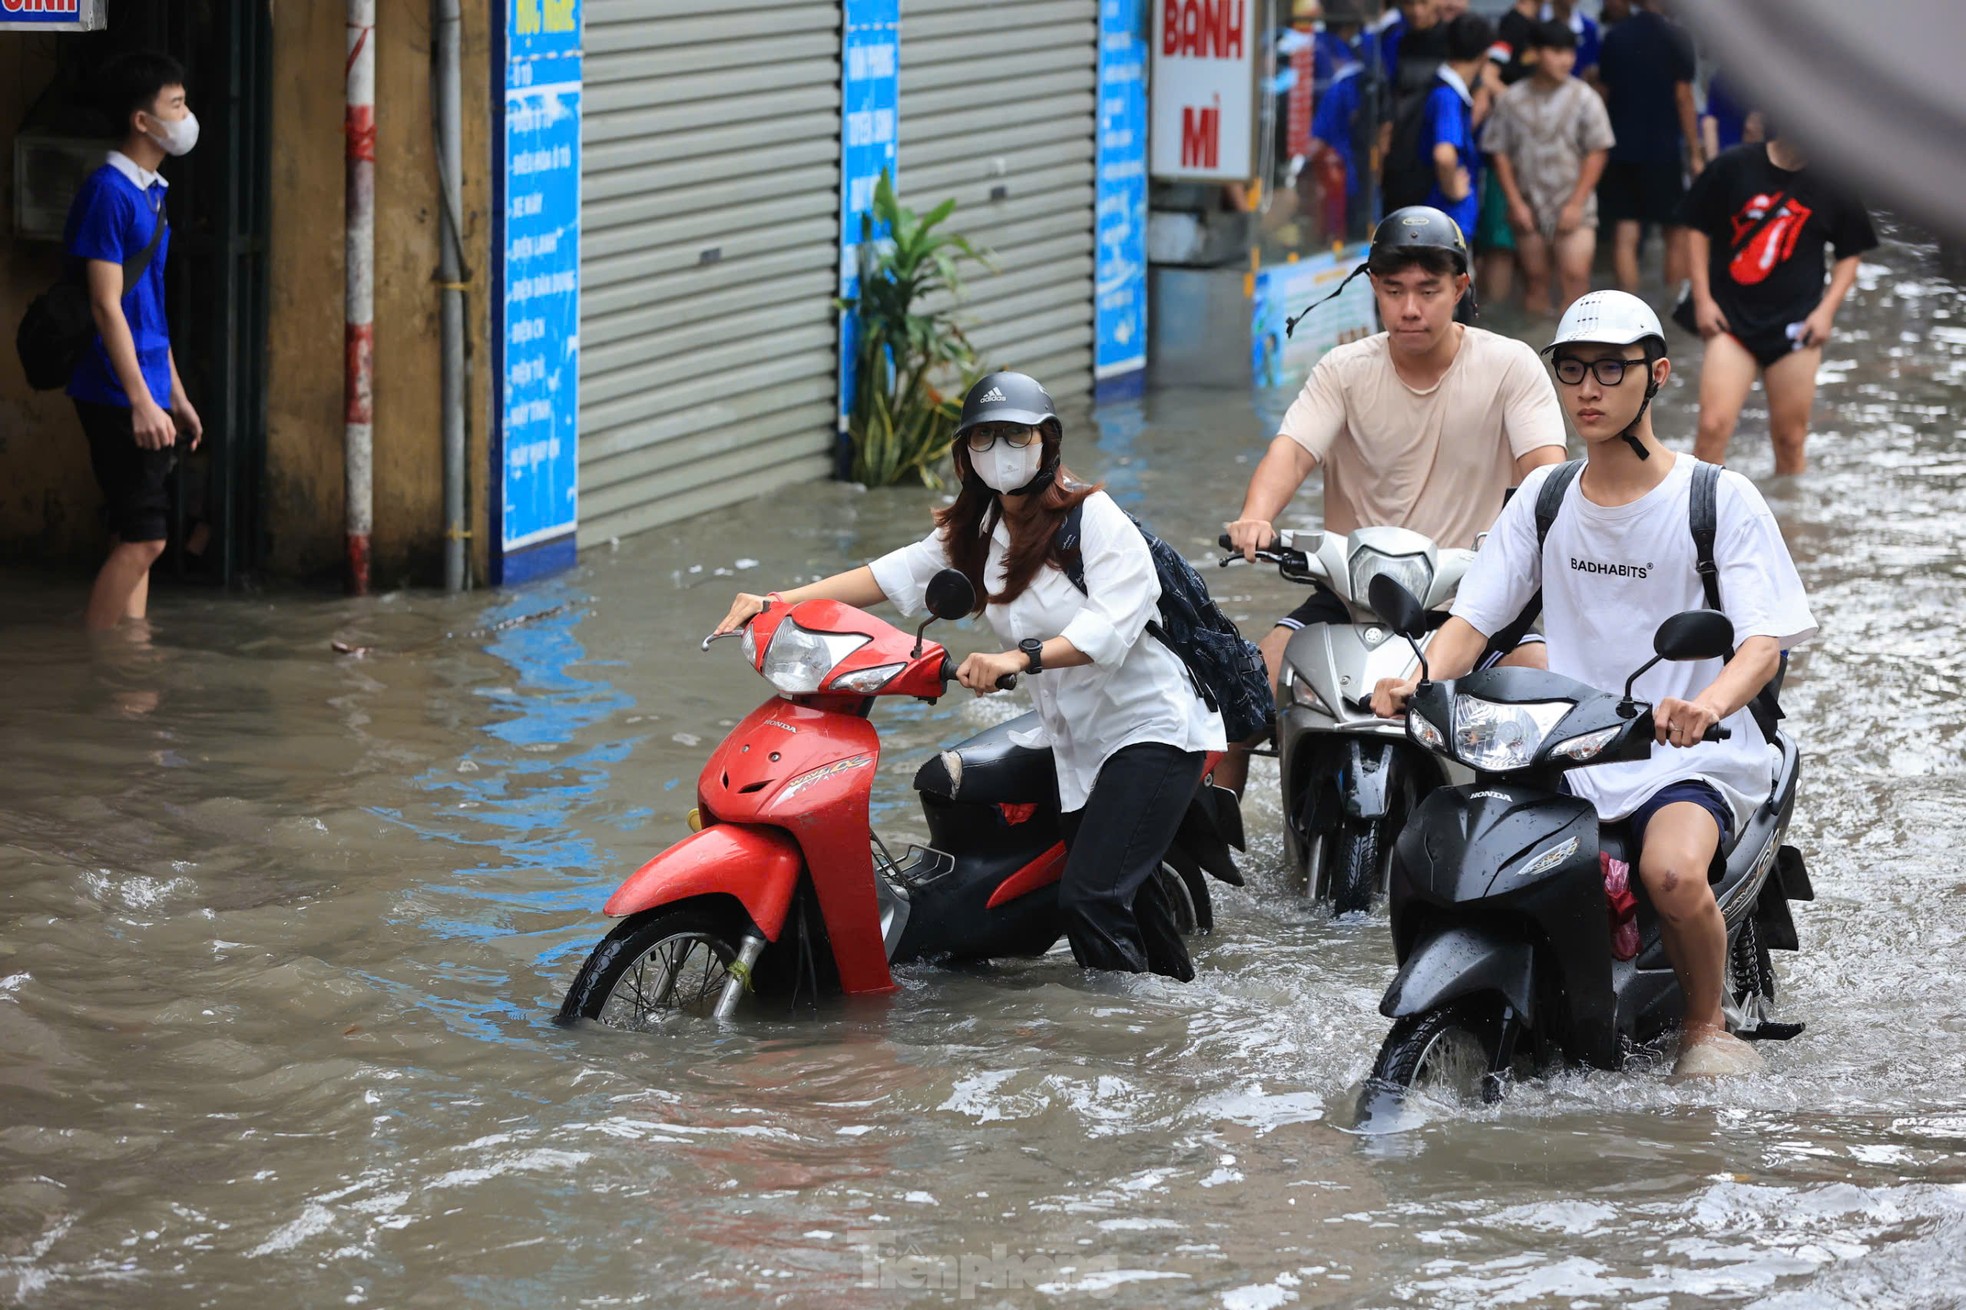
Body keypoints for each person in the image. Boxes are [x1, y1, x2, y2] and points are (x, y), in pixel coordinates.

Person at [1371, 291, 1816, 1078]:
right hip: (1570, 744)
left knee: (1670, 872)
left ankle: (1705, 1029)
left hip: (1690, 754)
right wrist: (1414, 679)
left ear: (1658, 376)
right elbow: (1472, 621)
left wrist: (1704, 705)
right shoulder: (1545, 501)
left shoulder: (1717, 499)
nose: (1589, 388)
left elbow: (1762, 647)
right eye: (1572, 370)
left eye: (1612, 369)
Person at [713, 373, 1226, 981]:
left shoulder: (1096, 520)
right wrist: (778, 601)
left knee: (1090, 898)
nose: (1000, 450)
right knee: (1126, 896)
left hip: (1151, 728)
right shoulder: (982, 532)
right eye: (984, 438)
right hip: (1076, 737)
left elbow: (1109, 629)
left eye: (1015, 435)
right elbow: (888, 575)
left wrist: (1019, 658)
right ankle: (1177, 1008)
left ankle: (1124, 1045)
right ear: (965, 454)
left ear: (1047, 443)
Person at [1215, 207, 1567, 793]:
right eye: (1395, 290)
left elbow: (1545, 477)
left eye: (1429, 291)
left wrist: (1549, 542)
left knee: (1550, 704)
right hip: (1350, 597)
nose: (1410, 308)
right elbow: (1292, 452)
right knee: (1234, 700)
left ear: (1460, 288)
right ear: (1373, 288)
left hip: (1472, 603)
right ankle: (1210, 868)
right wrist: (1257, 517)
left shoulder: (1510, 367)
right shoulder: (1342, 370)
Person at [64, 50, 202, 631]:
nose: (187, 115)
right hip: (114, 389)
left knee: (135, 534)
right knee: (147, 540)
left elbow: (148, 308)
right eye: (175, 104)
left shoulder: (151, 191)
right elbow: (105, 304)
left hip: (145, 382)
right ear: (142, 121)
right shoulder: (109, 193)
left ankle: (128, 670)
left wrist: (174, 393)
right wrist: (142, 400)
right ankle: (94, 658)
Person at [1677, 129, 1877, 475]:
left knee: (1790, 439)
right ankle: (1702, 522)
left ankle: (1788, 522)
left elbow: (1850, 253)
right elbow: (1695, 228)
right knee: (1711, 428)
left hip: (1797, 325)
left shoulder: (1834, 181)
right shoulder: (1734, 166)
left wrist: (1826, 312)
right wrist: (1703, 299)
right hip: (1730, 319)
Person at [1484, 20, 1616, 315]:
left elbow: (1598, 151)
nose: (1565, 60)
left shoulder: (1585, 97)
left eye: (1569, 52)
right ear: (1534, 54)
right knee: (1535, 282)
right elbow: (1499, 152)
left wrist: (1576, 203)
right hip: (1528, 203)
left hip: (1574, 205)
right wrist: (1515, 202)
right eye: (1556, 52)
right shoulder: (1512, 99)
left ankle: (1573, 353)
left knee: (1576, 283)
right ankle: (1535, 349)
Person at [1596, 0, 1702, 291]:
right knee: (1675, 231)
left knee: (1625, 231)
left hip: (1620, 150)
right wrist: (1695, 151)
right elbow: (1684, 98)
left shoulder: (1615, 36)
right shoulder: (1678, 37)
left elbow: (1603, 94)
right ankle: (1668, 312)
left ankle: (1629, 306)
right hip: (1663, 151)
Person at [1418, 12, 1495, 240]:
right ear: (1484, 55)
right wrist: (1452, 187)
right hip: (1446, 222)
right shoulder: (1447, 97)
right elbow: (1444, 154)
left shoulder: (1448, 91)